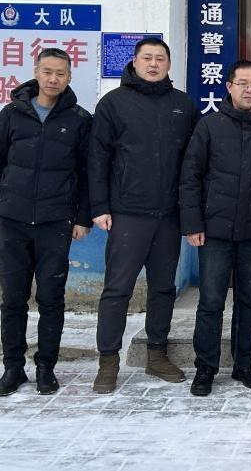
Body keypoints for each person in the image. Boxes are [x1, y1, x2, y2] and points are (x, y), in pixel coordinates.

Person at [179, 60, 251, 396]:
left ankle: (244, 364)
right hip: (214, 230)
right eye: (242, 83)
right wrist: (192, 224)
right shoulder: (209, 127)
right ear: (228, 87)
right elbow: (190, 177)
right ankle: (206, 367)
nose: (249, 89)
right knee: (211, 300)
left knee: (249, 300)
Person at [0, 48, 92, 396]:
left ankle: (46, 368)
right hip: (12, 220)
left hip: (55, 222)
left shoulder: (79, 119)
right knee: (13, 299)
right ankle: (13, 368)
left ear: (69, 77)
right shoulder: (12, 114)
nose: (53, 79)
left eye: (60, 73)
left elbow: (87, 173)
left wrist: (82, 218)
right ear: (36, 72)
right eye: (47, 72)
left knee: (51, 298)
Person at [88, 37, 196, 393]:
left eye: (160, 58)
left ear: (169, 64)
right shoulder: (114, 104)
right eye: (147, 58)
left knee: (163, 288)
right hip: (127, 214)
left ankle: (157, 354)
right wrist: (99, 207)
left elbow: (193, 164)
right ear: (134, 62)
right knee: (117, 289)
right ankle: (108, 361)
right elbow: (97, 159)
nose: (153, 64)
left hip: (168, 216)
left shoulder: (182, 105)